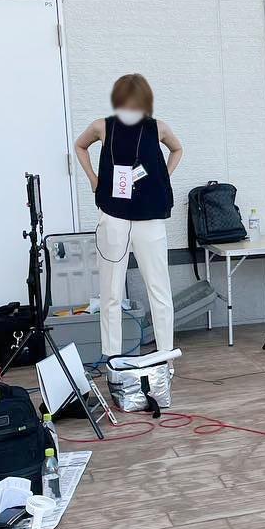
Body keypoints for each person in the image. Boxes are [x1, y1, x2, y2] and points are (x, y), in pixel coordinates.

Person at [74, 74, 183, 358]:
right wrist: (93, 179)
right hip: (114, 215)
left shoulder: (157, 127)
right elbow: (79, 145)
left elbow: (177, 148)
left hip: (150, 216)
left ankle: (166, 356)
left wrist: (163, 176)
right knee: (111, 292)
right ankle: (113, 358)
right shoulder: (102, 126)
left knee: (159, 288)